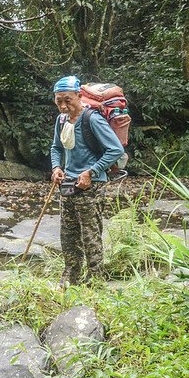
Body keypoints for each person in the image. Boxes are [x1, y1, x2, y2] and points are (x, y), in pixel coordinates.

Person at [50, 76, 124, 287]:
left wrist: (91, 172)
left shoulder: (92, 119)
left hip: (91, 186)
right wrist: (56, 168)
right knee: (68, 234)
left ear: (79, 97)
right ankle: (70, 279)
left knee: (90, 236)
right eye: (58, 101)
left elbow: (115, 150)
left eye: (68, 100)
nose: (63, 105)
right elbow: (56, 148)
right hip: (68, 185)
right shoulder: (61, 120)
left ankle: (95, 282)